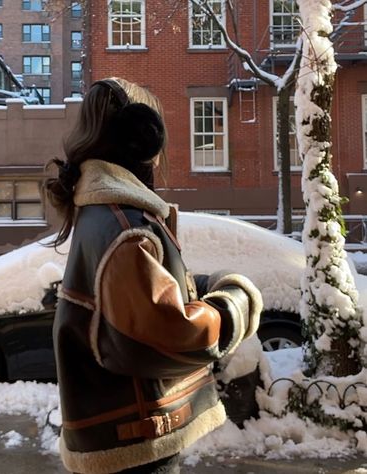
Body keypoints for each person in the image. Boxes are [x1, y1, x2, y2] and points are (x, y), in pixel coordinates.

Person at [46, 77, 263, 474]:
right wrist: (236, 300)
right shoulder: (125, 227)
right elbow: (166, 334)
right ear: (142, 140)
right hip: (135, 445)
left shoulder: (103, 213)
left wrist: (195, 284)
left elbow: (134, 301)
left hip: (119, 436)